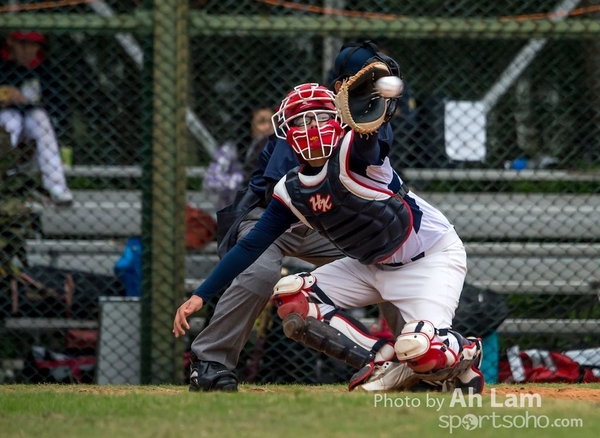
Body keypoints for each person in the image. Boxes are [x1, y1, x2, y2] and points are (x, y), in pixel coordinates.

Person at [173, 81, 484, 394]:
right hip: (306, 229)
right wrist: (201, 294)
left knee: (417, 341)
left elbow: (375, 138)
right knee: (284, 290)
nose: (312, 126)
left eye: (321, 116)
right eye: (301, 120)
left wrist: (376, 102)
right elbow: (256, 241)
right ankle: (380, 358)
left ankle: (424, 361)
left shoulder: (356, 146)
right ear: (287, 128)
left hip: (413, 251)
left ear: (340, 115)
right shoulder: (288, 177)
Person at [173, 41, 406, 393]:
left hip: (329, 225)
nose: (374, 86)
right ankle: (211, 362)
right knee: (260, 271)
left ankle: (417, 358)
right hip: (273, 217)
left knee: (387, 262)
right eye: (366, 78)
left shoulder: (372, 120)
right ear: (343, 85)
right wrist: (203, 292)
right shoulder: (310, 117)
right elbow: (280, 204)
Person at [0, 31, 72, 205]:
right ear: (11, 42)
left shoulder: (44, 68)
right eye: (23, 44)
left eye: (34, 45)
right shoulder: (2, 64)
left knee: (40, 118)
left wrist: (27, 100)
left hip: (33, 122)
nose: (29, 50)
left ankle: (57, 186)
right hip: (7, 117)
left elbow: (58, 107)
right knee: (11, 119)